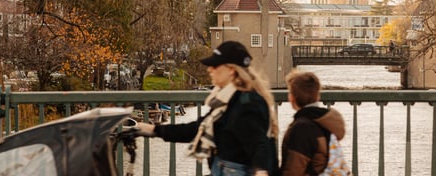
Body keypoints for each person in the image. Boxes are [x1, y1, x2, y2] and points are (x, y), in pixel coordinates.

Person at [131, 41, 278, 176]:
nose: (209, 70)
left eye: (215, 65)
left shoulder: (248, 103)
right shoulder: (225, 100)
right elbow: (197, 129)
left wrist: (261, 170)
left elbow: (260, 143)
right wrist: (153, 130)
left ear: (231, 70)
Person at [279, 70, 346, 175]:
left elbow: (294, 169)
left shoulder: (301, 129)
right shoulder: (325, 122)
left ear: (292, 98)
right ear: (317, 96)